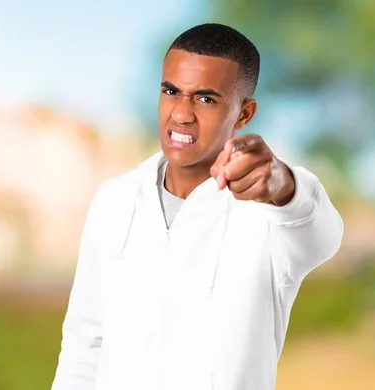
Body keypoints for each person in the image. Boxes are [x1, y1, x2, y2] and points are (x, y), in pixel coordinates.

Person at [51, 23, 344, 390]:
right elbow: (84, 344)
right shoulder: (114, 200)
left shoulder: (268, 213)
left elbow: (324, 236)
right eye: (171, 91)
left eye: (206, 98)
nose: (181, 114)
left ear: (243, 113)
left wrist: (281, 184)